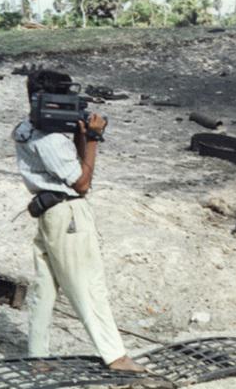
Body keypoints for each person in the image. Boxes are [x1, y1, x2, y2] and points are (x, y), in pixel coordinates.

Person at [13, 70, 145, 372]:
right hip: (68, 214)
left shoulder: (25, 128)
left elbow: (72, 162)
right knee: (89, 285)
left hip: (48, 214)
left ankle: (37, 357)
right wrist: (94, 138)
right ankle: (116, 356)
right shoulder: (51, 140)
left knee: (45, 288)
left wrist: (80, 133)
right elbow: (82, 183)